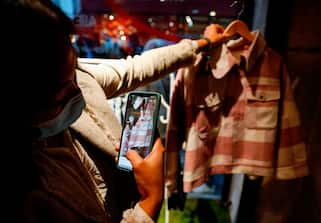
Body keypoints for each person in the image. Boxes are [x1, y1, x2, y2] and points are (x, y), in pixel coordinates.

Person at [1, 0, 225, 222]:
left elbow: (134, 69)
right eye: (60, 93)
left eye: (75, 68)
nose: (78, 90)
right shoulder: (31, 197)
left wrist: (201, 44)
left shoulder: (79, 76)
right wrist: (151, 200)